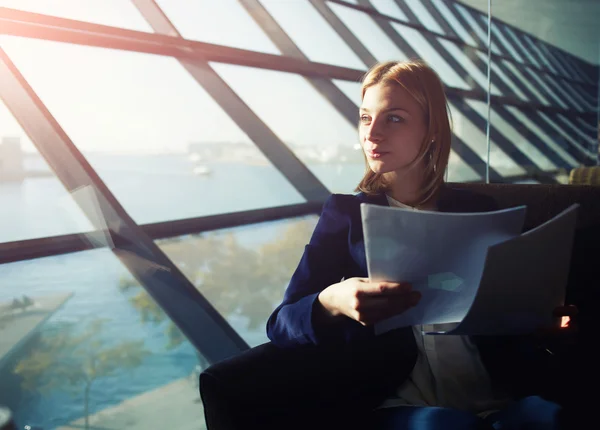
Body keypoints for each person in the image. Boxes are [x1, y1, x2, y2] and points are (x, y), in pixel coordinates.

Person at [266, 60, 575, 430]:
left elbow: (509, 316)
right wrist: (333, 299)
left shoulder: (481, 213)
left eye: (393, 118)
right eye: (366, 118)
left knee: (552, 418)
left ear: (431, 130)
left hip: (498, 397)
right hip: (399, 405)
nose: (372, 133)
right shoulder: (345, 217)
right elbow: (280, 324)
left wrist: (543, 321)